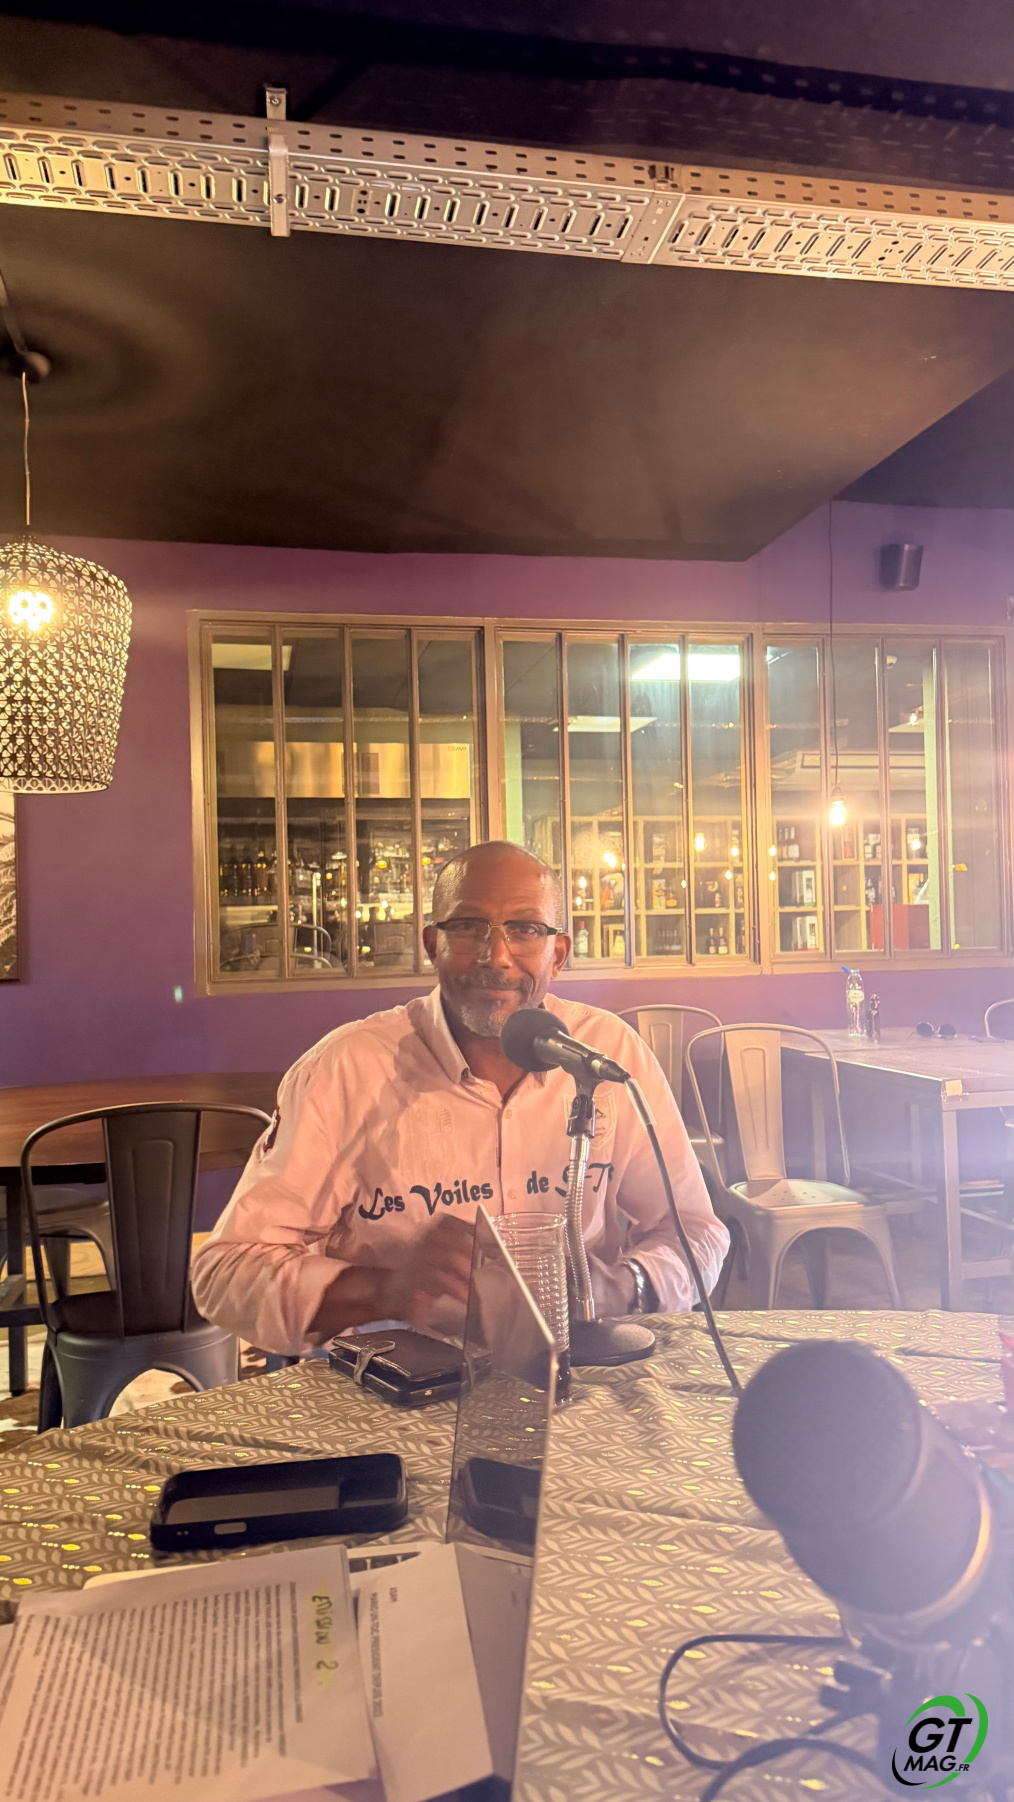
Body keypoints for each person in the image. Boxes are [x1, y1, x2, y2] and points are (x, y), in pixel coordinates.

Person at [191, 842, 729, 1354]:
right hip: (392, 1385)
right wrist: (386, 1289)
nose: (496, 956)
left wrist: (619, 1286)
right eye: (469, 926)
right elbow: (224, 1273)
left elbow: (697, 1233)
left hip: (577, 1371)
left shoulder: (607, 1055)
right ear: (433, 945)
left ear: (558, 953)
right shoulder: (347, 1069)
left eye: (525, 929)